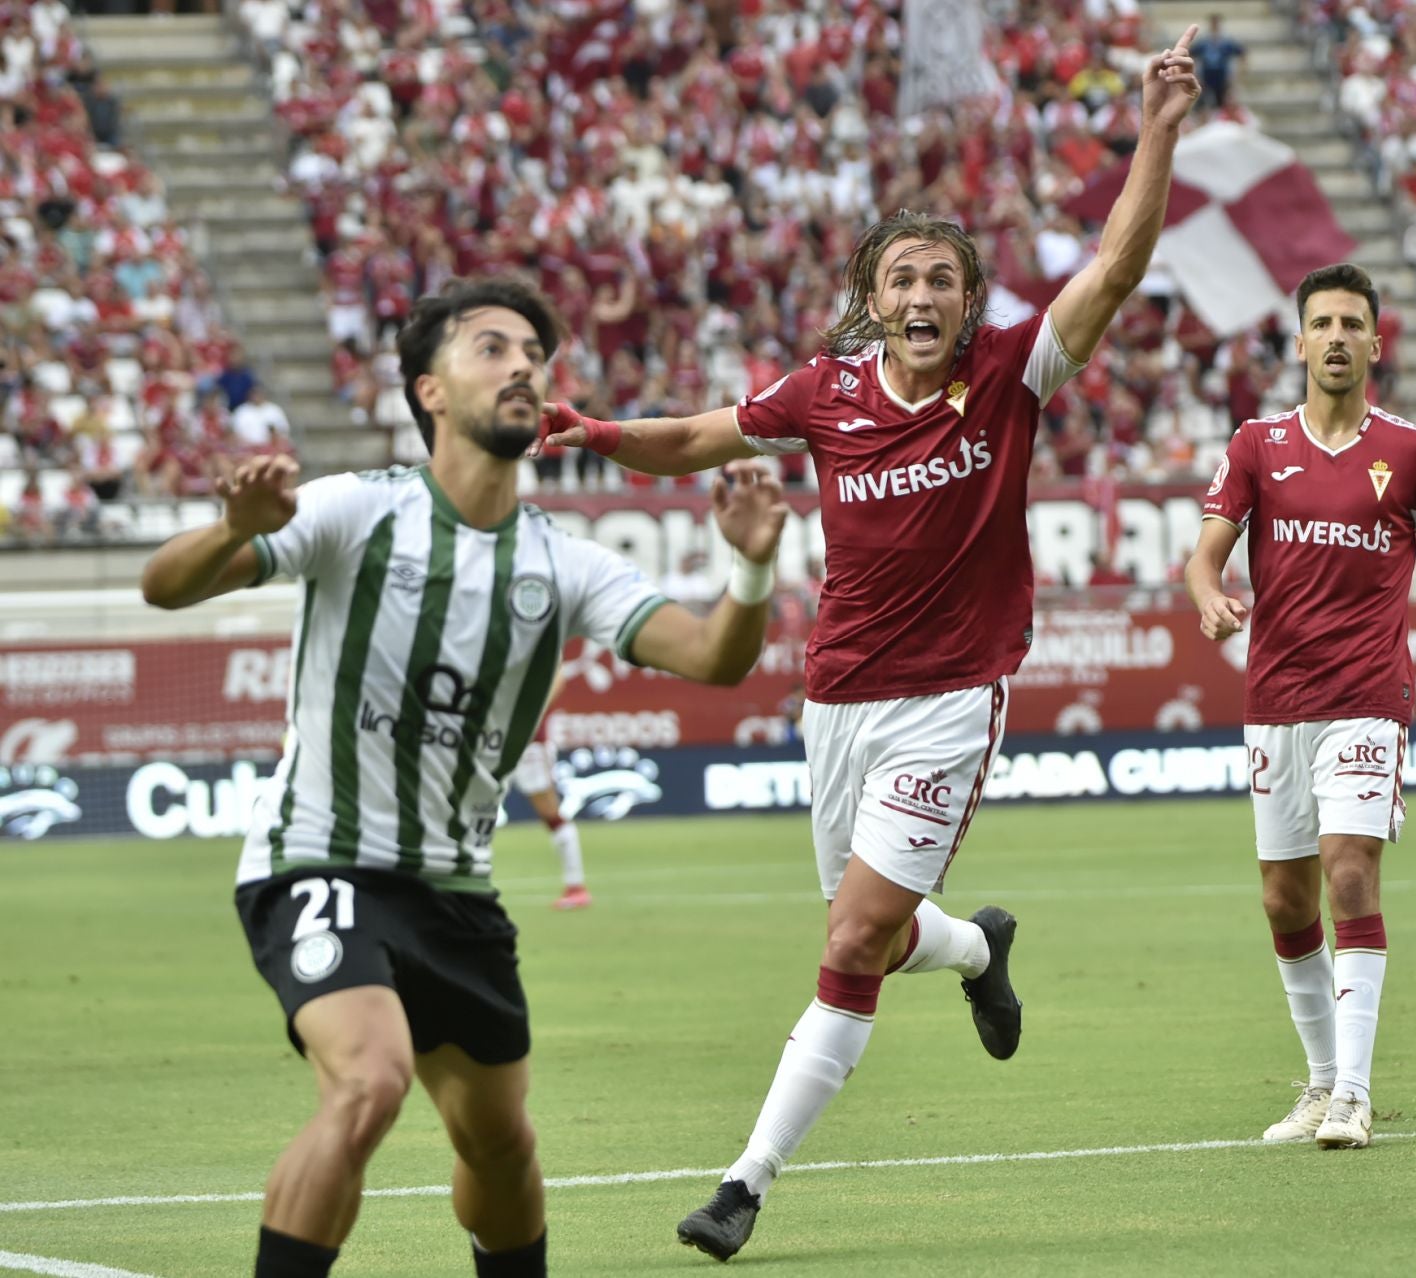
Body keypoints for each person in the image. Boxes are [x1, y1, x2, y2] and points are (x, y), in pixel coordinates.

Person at [539, 28, 1204, 1262]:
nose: (920, 299)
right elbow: (697, 437)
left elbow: (1113, 269)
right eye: (900, 280)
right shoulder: (825, 394)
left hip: (950, 701)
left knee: (847, 942)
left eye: (941, 282)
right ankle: (977, 947)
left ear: (967, 302)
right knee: (888, 936)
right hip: (835, 700)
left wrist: (1156, 128)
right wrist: (597, 431)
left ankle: (745, 1182)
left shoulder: (1012, 374)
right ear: (871, 298)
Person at [139, 276, 789, 1278]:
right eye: (492, 348)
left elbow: (714, 657)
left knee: (501, 1143)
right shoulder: (357, 512)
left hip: (455, 892)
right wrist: (234, 526)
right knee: (368, 1085)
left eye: (534, 351)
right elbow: (164, 585)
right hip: (320, 862)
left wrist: (749, 571)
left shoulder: (564, 563)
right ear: (428, 390)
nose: (523, 365)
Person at [1184, 263, 1416, 1152]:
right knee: (1282, 899)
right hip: (1275, 703)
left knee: (1347, 877)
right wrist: (1208, 595)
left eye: (1352, 324)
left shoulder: (1410, 452)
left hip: (1367, 700)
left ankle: (1355, 1096)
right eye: (1322, 324)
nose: (1336, 337)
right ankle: (1321, 1083)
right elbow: (1203, 556)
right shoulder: (1257, 444)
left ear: (1376, 343)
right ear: (1299, 343)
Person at [509, 670, 592, 910]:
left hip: (530, 745)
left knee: (550, 813)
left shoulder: (535, 638)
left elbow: (557, 675)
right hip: (491, 742)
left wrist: (531, 710)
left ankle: (576, 887)